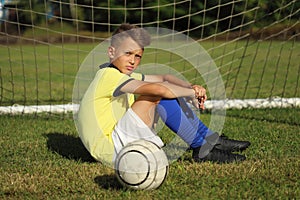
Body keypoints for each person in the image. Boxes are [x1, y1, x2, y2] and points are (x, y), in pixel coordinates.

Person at [77, 23, 250, 165]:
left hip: (115, 143)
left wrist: (191, 87)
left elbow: (164, 77)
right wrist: (189, 94)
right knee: (157, 94)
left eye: (138, 56)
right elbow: (160, 89)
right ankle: (202, 148)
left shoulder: (120, 74)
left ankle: (210, 139)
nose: (132, 60)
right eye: (128, 53)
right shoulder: (109, 76)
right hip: (111, 149)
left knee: (162, 87)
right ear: (111, 52)